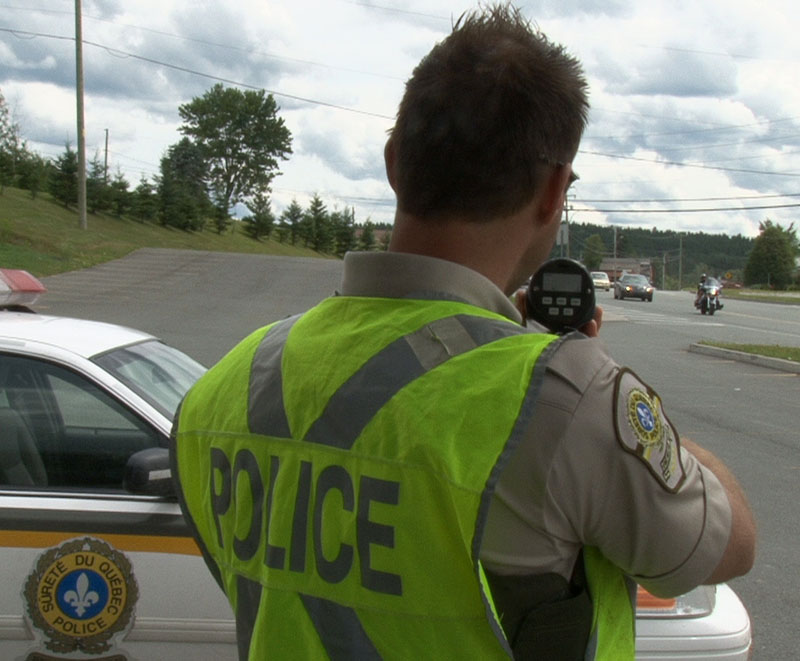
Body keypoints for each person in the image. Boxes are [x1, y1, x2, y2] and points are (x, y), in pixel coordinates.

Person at [171, 5, 756, 659]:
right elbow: (731, 545)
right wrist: (605, 392)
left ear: (395, 163)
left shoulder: (220, 391)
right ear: (553, 192)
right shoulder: (571, 399)